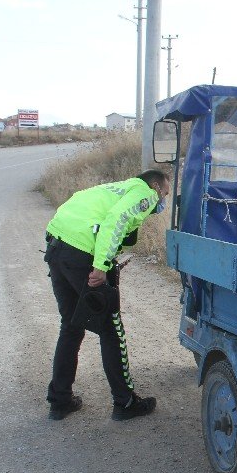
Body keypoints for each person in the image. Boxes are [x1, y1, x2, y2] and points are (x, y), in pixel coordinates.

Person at [43, 169, 171, 421]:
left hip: (57, 247)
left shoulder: (113, 188)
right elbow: (117, 219)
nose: (163, 201)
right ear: (155, 185)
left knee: (70, 326)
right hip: (82, 255)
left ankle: (60, 401)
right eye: (165, 193)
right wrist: (101, 266)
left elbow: (79, 206)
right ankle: (125, 403)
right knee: (112, 332)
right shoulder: (144, 193)